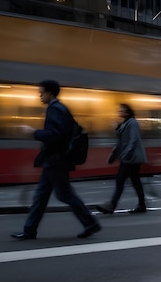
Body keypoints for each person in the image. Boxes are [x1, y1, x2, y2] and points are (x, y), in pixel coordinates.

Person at [11, 80, 101, 240]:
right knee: (42, 196)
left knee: (62, 194)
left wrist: (33, 132)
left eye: (42, 92)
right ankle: (29, 230)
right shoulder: (59, 108)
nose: (39, 95)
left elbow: (55, 136)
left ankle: (90, 222)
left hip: (56, 160)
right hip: (55, 160)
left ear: (50, 93)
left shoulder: (55, 109)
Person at [96, 103, 148, 214]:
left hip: (131, 158)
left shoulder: (132, 123)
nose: (119, 112)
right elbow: (120, 142)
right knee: (135, 182)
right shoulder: (124, 124)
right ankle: (142, 205)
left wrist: (126, 154)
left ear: (127, 112)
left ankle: (112, 205)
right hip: (128, 157)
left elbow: (133, 140)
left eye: (121, 110)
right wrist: (114, 154)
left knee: (121, 181)